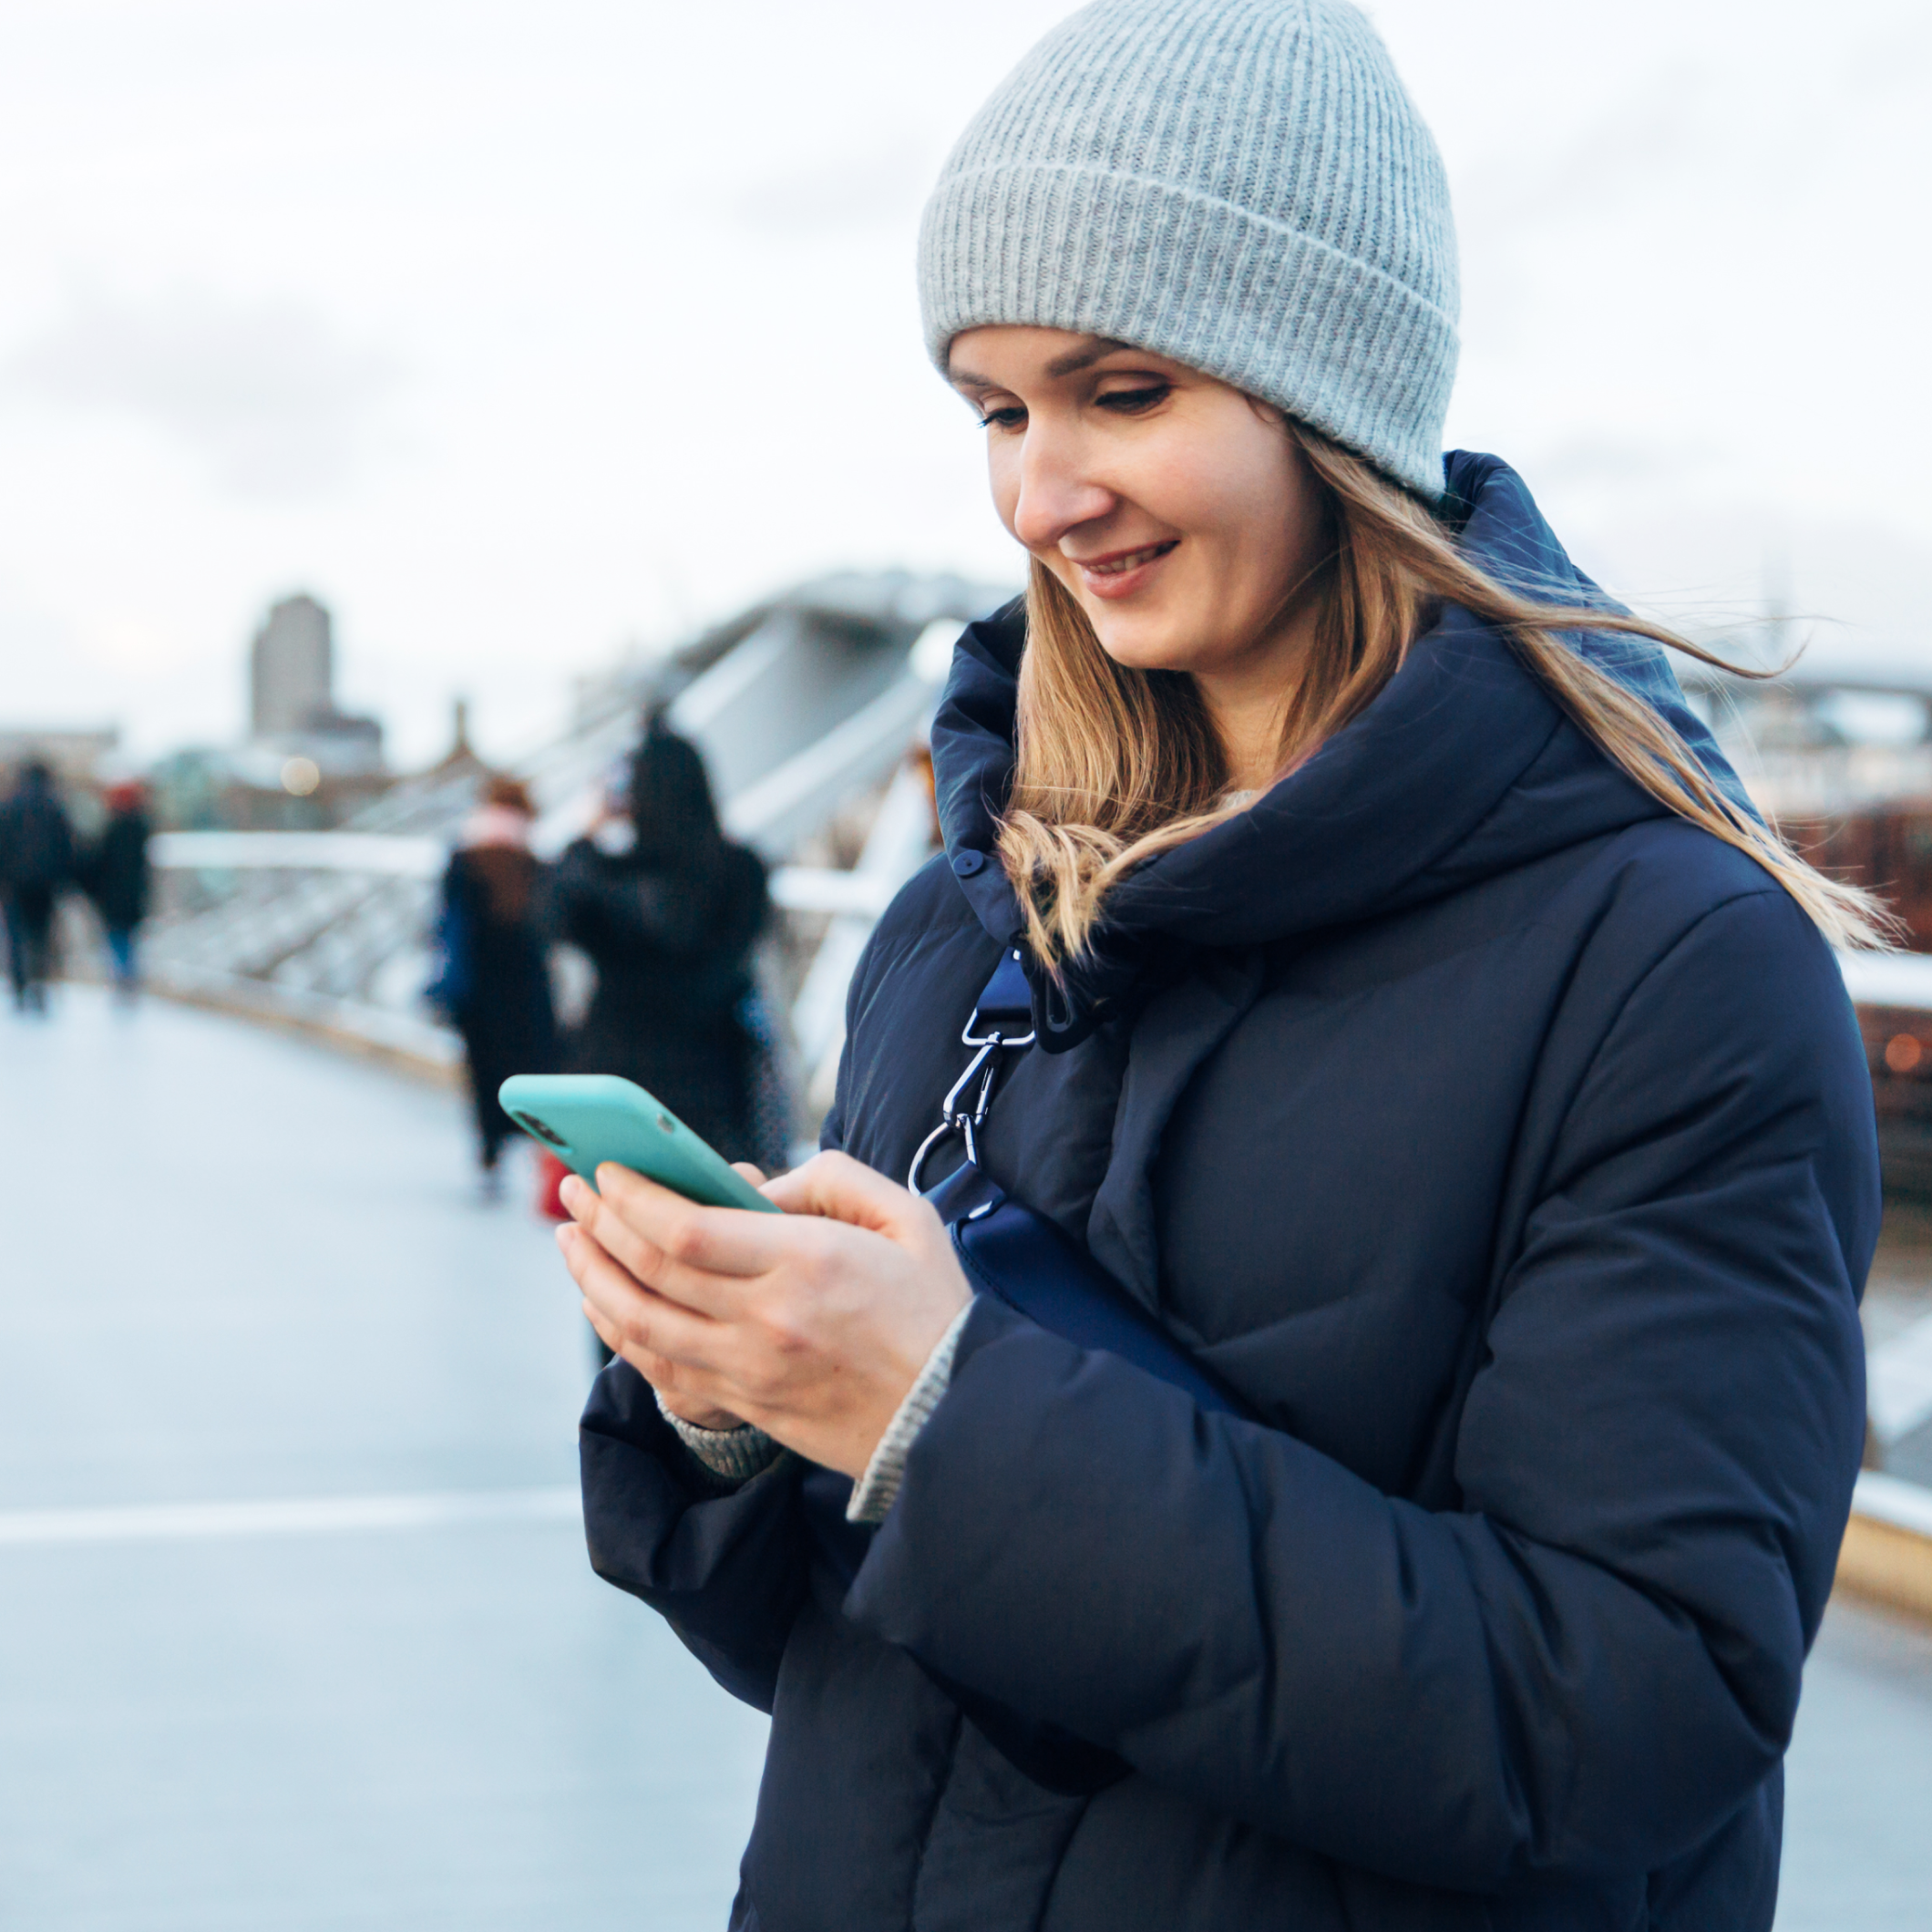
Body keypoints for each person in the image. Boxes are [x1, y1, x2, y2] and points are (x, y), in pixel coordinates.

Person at [554, 6, 1880, 1928]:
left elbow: (1624, 1720)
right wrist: (743, 1396)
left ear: (1325, 388)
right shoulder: (970, 918)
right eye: (999, 410)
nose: (1038, 496)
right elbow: (857, 1686)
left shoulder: (1673, 969)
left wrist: (944, 1418)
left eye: (1120, 390)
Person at [551, 714, 772, 1166]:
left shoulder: (608, 874)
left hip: (616, 1077)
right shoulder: (741, 869)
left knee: (616, 1220)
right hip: (713, 1077)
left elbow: (553, 914)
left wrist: (585, 834)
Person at [430, 776, 559, 1195]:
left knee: (483, 1072)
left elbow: (445, 926)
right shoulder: (535, 863)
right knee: (531, 1068)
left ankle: (489, 1153)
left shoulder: (462, 860)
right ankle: (538, 1152)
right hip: (527, 988)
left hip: (477, 988)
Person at [0, 759, 77, 1014]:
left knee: (16, 934)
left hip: (13, 884)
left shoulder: (10, 806)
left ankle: (21, 985)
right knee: (41, 934)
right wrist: (63, 879)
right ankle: (40, 982)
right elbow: (67, 846)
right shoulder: (54, 806)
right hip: (46, 883)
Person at [81, 782, 153, 1001]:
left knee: (117, 936)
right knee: (128, 937)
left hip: (113, 894)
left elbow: (99, 860)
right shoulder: (141, 826)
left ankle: (123, 976)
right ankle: (128, 976)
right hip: (133, 893)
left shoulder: (112, 828)